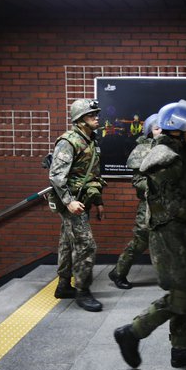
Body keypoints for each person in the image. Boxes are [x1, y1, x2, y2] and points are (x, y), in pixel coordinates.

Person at [114, 100, 186, 368]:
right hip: (169, 235)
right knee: (180, 294)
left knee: (184, 288)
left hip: (179, 231)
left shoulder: (178, 152)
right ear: (176, 128)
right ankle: (133, 332)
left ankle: (181, 349)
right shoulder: (167, 157)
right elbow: (174, 204)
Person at [49, 99, 106, 312]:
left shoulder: (91, 140)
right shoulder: (69, 141)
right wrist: (68, 201)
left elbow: (93, 175)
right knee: (86, 246)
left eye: (96, 114)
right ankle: (83, 291)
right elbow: (56, 176)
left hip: (83, 201)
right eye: (92, 115)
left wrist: (99, 201)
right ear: (80, 120)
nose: (96, 118)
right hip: (72, 202)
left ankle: (63, 286)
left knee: (66, 242)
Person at [108, 114, 162, 289]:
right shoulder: (142, 150)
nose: (161, 132)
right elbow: (137, 181)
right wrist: (156, 185)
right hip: (148, 204)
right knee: (140, 241)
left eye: (163, 128)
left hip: (169, 205)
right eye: (156, 128)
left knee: (172, 239)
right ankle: (118, 272)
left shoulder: (171, 148)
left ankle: (175, 278)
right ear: (149, 131)